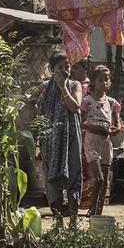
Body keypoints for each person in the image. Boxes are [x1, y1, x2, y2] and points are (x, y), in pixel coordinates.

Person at [38, 51, 83, 226]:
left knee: (73, 176)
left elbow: (74, 107)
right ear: (52, 69)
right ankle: (58, 222)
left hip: (70, 137)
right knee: (52, 180)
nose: (64, 70)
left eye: (67, 67)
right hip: (50, 140)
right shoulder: (45, 87)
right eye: (60, 67)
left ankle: (73, 222)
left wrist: (63, 87)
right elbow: (33, 103)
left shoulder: (74, 85)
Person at [81, 65, 121, 216]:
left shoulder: (112, 103)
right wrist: (98, 128)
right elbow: (81, 123)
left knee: (104, 182)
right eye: (100, 80)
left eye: (107, 79)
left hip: (106, 142)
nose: (104, 83)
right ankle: (92, 211)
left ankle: (98, 213)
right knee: (98, 178)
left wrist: (115, 130)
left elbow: (117, 125)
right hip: (92, 140)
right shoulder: (87, 101)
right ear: (93, 81)